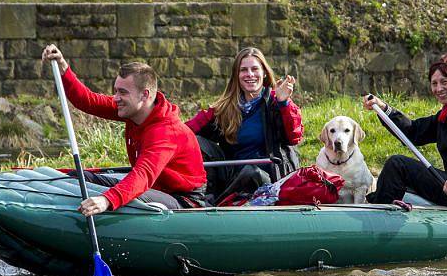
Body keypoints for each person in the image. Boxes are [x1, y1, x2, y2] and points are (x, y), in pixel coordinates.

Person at [41, 44, 208, 215]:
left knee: (124, 197)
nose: (116, 98)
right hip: (154, 187)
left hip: (184, 199)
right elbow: (87, 101)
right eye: (115, 91)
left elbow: (143, 175)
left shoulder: (165, 131)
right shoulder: (132, 110)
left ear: (145, 94)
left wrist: (107, 200)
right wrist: (62, 65)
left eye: (123, 92)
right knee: (81, 177)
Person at [363, 54, 447, 211]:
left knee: (397, 165)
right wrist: (384, 109)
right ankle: (381, 205)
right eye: (434, 83)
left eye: (444, 82)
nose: (438, 89)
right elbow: (414, 131)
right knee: (400, 172)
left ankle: (378, 216)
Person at [186, 47, 303, 202]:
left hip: (269, 178)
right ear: (237, 75)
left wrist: (284, 103)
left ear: (264, 73)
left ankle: (218, 201)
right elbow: (185, 130)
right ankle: (205, 197)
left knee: (252, 172)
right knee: (194, 141)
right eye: (244, 70)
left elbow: (294, 136)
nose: (250, 74)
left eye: (255, 69)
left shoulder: (276, 101)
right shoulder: (224, 108)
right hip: (232, 178)